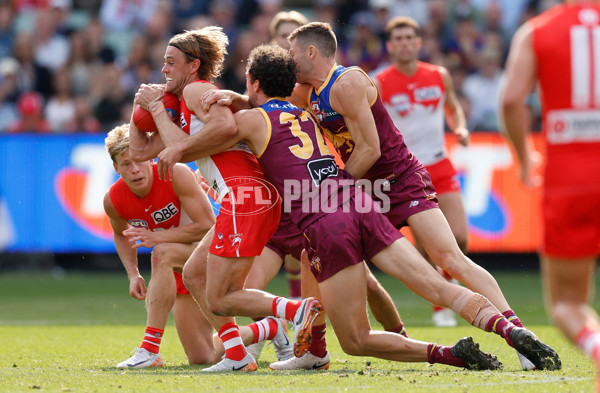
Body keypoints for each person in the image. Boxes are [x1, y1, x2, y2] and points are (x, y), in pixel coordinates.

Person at [157, 43, 562, 372]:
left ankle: (449, 353)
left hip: (324, 220)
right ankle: (510, 331)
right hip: (360, 200)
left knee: (355, 340)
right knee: (439, 283)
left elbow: (221, 132)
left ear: (253, 81)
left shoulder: (251, 120)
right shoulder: (308, 111)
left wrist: (173, 137)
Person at [128, 26, 321, 372]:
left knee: (220, 296)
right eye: (163, 63)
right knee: (192, 275)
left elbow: (225, 129)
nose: (164, 70)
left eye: (171, 63)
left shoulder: (197, 90)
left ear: (193, 66)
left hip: (244, 195)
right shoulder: (184, 106)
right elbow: (140, 149)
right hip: (249, 197)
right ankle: (236, 356)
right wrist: (139, 107)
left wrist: (156, 110)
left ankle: (296, 311)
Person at [243, 11, 408, 366]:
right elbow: (256, 105)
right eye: (283, 42)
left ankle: (399, 339)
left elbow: (367, 144)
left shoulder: (312, 88)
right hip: (290, 200)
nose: (289, 54)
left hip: (318, 194)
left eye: (293, 44)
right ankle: (298, 345)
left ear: (310, 51)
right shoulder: (281, 90)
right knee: (271, 276)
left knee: (364, 282)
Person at [104, 124, 292, 368]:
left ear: (149, 157)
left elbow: (208, 225)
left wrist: (157, 236)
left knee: (162, 252)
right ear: (116, 168)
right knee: (201, 357)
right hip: (173, 271)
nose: (135, 169)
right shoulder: (114, 199)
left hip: (206, 255)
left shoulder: (174, 173)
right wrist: (133, 274)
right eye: (126, 164)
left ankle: (149, 349)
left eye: (138, 160)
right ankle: (269, 327)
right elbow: (120, 234)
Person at [500, 0, 600, 387]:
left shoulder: (538, 31)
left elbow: (511, 100)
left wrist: (525, 159)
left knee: (567, 303)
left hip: (569, 175)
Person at [374, 16, 470, 328]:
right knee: (427, 245)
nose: (403, 43)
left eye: (408, 38)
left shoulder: (438, 75)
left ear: (418, 43)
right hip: (406, 171)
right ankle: (439, 303)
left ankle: (444, 285)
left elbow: (452, 107)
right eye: (397, 38)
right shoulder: (379, 82)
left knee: (459, 237)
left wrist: (461, 128)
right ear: (390, 46)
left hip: (440, 164)